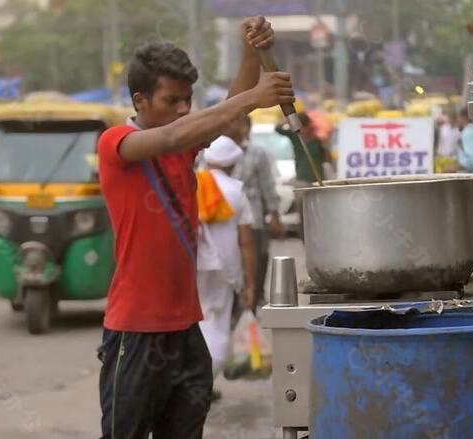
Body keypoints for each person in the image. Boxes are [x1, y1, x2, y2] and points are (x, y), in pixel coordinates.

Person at [96, 16, 294, 439]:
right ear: (140, 100)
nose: (184, 109)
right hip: (135, 332)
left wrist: (248, 53)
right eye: (172, 100)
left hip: (186, 331)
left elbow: (220, 118)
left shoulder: (182, 146)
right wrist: (255, 98)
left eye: (188, 99)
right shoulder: (118, 144)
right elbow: (175, 136)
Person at [196, 136, 256, 399]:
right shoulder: (236, 190)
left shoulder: (191, 184)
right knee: (217, 325)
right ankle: (200, 384)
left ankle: (192, 383)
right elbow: (246, 242)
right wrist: (250, 284)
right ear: (232, 163)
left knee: (197, 323)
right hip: (225, 268)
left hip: (191, 266)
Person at [229, 115, 283, 309]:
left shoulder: (257, 153)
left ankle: (254, 300)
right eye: (236, 124)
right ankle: (234, 305)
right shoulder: (214, 152)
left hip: (254, 219)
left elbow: (267, 186)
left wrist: (275, 216)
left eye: (243, 124)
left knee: (257, 261)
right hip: (226, 221)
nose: (240, 129)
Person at [275, 113, 327, 239]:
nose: (305, 130)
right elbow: (278, 129)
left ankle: (319, 238)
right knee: (303, 215)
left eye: (306, 126)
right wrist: (289, 119)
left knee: (319, 215)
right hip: (301, 183)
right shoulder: (296, 138)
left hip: (316, 183)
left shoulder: (317, 142)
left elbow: (326, 158)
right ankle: (305, 239)